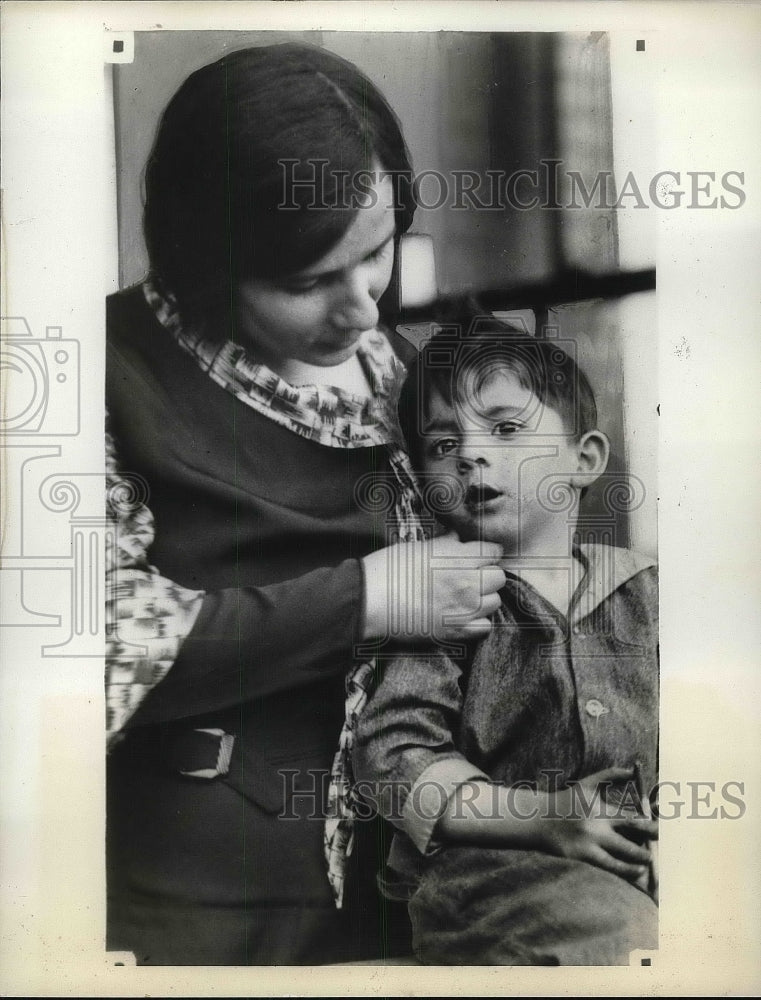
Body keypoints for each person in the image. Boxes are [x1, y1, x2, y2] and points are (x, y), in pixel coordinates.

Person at [104, 43, 507, 966]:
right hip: (189, 916)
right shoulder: (109, 374)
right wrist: (362, 600)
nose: (362, 307)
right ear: (208, 262)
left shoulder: (401, 375)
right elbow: (80, 652)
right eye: (307, 282)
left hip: (403, 894)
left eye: (375, 255)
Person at [353, 325, 659, 965]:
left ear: (585, 459)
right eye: (443, 443)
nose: (470, 455)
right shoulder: (440, 600)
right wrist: (548, 818)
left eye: (507, 429)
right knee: (617, 934)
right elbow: (394, 759)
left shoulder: (649, 591)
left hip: (644, 856)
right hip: (491, 874)